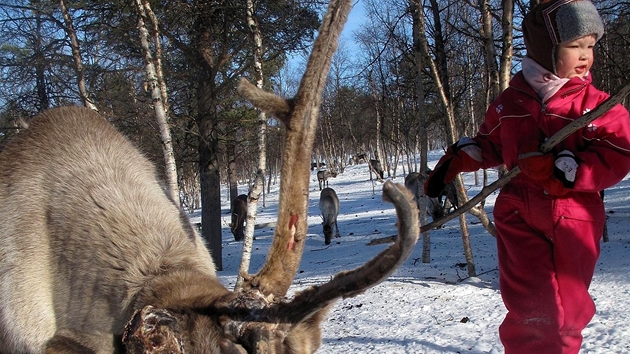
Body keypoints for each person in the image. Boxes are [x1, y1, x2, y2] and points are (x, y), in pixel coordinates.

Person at [424, 1, 630, 353]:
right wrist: (459, 159)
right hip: (518, 214)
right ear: (544, 49)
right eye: (574, 46)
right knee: (532, 309)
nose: (585, 56)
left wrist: (564, 172)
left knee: (566, 310)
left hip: (573, 218)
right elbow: (491, 143)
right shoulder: (509, 103)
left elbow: (619, 152)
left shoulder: (595, 106)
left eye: (591, 46)